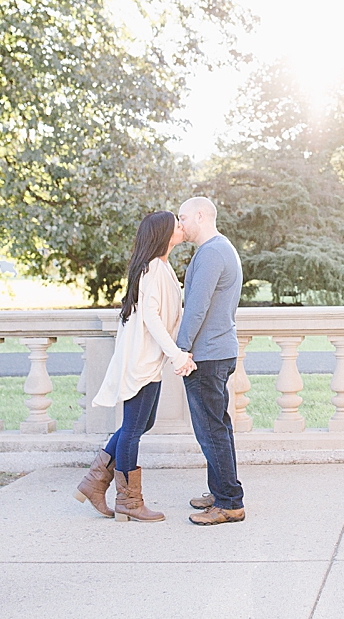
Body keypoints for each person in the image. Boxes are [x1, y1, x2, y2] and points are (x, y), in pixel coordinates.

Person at [75, 210, 195, 522]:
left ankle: (94, 481)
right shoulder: (153, 268)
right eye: (176, 224)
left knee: (142, 423)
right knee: (133, 429)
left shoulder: (161, 267)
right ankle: (128, 501)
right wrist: (177, 356)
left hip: (149, 360)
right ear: (164, 234)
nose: (181, 227)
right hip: (142, 360)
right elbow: (152, 319)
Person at [174, 196, 246, 526]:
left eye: (184, 217)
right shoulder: (221, 248)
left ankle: (230, 502)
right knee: (217, 427)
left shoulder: (212, 252)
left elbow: (197, 307)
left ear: (201, 216)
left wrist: (181, 349)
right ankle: (220, 492)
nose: (180, 224)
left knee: (211, 430)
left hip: (208, 355)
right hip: (218, 350)